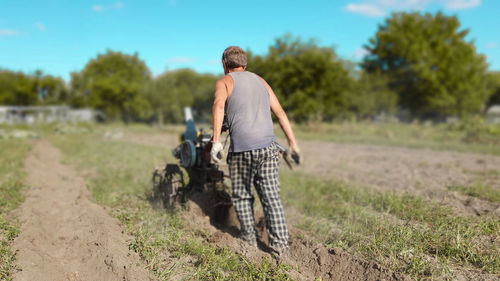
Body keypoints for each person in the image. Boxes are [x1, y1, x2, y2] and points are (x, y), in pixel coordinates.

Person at [210, 46, 300, 257]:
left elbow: (218, 106)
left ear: (224, 64)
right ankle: (280, 249)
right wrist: (293, 143)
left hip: (242, 150)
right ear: (245, 63)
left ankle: (249, 242)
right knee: (271, 197)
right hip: (269, 148)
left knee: (242, 196)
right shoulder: (261, 80)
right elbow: (280, 112)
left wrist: (215, 142)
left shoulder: (224, 81)